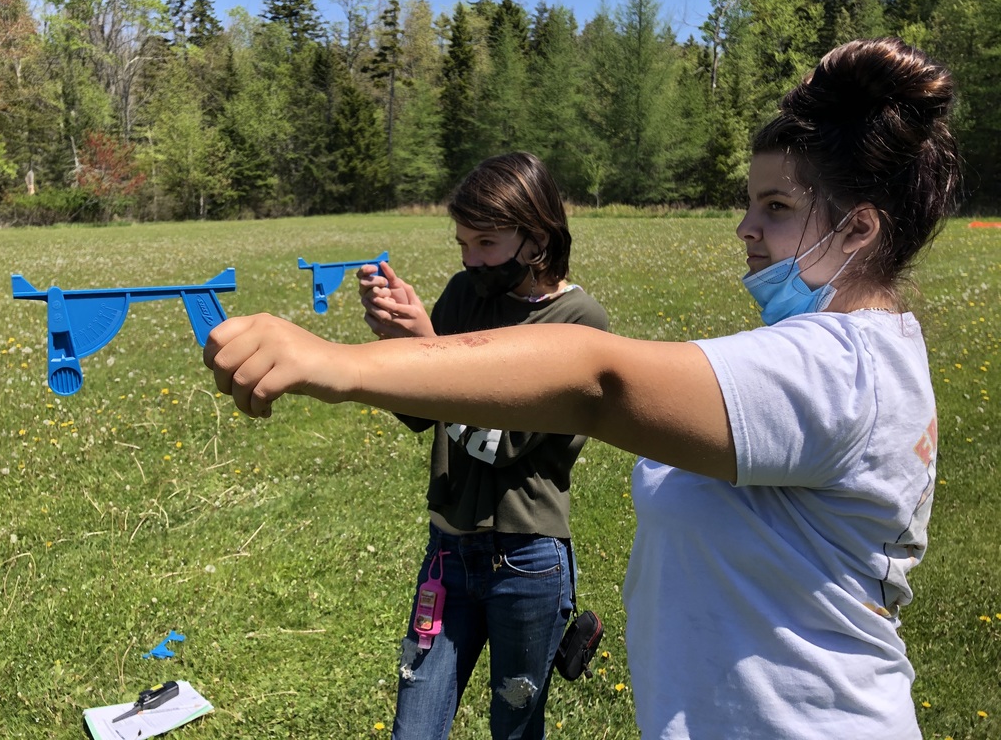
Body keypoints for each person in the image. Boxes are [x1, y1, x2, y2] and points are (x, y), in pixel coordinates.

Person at [204, 37, 961, 738]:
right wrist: (420, 352)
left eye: (778, 207)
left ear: (859, 230)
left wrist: (336, 364)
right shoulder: (827, 361)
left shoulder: (841, 370)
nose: (745, 228)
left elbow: (593, 378)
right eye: (752, 202)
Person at [363, 152, 608, 739]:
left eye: (487, 244)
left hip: (526, 560)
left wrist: (430, 352)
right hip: (448, 551)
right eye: (463, 244)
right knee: (413, 726)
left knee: (515, 727)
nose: (472, 260)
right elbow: (421, 414)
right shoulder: (465, 293)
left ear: (537, 238)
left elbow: (499, 443)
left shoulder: (580, 324)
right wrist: (402, 348)